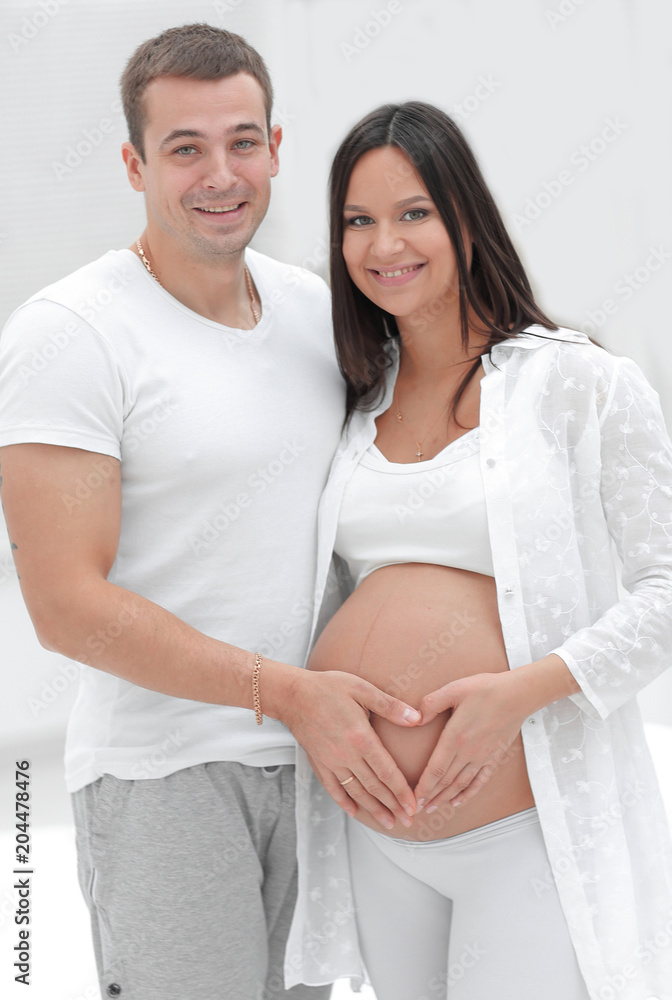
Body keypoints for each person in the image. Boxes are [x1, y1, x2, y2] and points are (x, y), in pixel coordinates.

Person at [0, 26, 426, 999]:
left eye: (242, 141)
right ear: (133, 164)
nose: (220, 174)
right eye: (185, 148)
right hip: (164, 774)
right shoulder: (69, 335)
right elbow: (64, 604)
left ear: (277, 147)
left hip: (324, 767)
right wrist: (285, 692)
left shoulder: (319, 312)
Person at [284, 102, 672, 999]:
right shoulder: (348, 400)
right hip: (376, 835)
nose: (386, 243)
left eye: (413, 212)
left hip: (525, 831)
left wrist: (522, 692)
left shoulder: (578, 382)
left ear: (465, 217)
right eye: (358, 220)